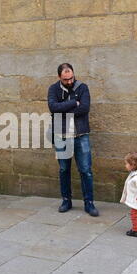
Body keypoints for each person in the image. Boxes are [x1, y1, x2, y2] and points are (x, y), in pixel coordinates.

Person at [47, 63, 99, 216]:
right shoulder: (53, 89)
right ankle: (66, 200)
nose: (69, 82)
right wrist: (73, 103)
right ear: (59, 77)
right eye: (65, 80)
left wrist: (63, 108)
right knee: (64, 170)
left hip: (80, 135)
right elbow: (53, 108)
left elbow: (84, 108)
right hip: (61, 136)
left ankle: (89, 203)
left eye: (71, 78)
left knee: (85, 170)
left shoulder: (83, 88)